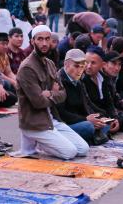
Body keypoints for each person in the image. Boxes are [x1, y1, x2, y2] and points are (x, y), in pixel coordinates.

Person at [16, 25, 89, 160]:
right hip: (35, 122)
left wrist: (48, 93)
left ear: (51, 41)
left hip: (52, 119)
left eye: (47, 39)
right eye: (40, 39)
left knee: (83, 149)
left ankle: (46, 142)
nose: (44, 43)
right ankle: (39, 143)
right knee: (70, 152)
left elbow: (63, 93)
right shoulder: (27, 68)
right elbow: (38, 102)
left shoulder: (50, 63)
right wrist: (53, 93)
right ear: (32, 41)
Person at [57, 49, 110, 145]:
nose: (80, 70)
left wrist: (101, 116)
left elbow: (88, 103)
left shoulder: (79, 81)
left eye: (82, 67)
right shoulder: (58, 82)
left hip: (81, 120)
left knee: (105, 123)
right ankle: (90, 138)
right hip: (65, 124)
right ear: (66, 64)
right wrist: (86, 119)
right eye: (76, 66)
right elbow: (61, 114)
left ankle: (90, 137)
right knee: (88, 127)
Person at [82, 46, 123, 133]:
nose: (88, 66)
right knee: (93, 126)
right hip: (92, 115)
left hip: (105, 116)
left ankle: (112, 126)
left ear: (102, 64)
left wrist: (114, 118)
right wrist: (105, 117)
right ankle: (108, 128)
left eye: (93, 63)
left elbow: (109, 102)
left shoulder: (103, 79)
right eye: (86, 62)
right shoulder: (82, 79)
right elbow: (88, 105)